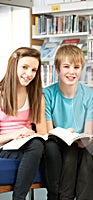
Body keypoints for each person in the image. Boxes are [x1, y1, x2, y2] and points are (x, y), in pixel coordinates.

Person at [42, 44, 93, 200]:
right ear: (58, 69)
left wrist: (85, 139)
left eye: (76, 67)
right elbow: (47, 130)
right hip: (56, 141)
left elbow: (88, 130)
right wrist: (65, 134)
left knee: (85, 152)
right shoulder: (47, 94)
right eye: (66, 66)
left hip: (79, 142)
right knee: (70, 152)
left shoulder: (88, 94)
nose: (72, 72)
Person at [0, 47, 47, 199]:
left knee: (40, 145)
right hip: (4, 146)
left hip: (27, 145)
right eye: (24, 67)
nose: (29, 74)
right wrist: (15, 134)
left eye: (33, 70)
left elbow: (42, 132)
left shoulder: (36, 95)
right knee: (36, 147)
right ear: (14, 65)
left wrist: (32, 134)